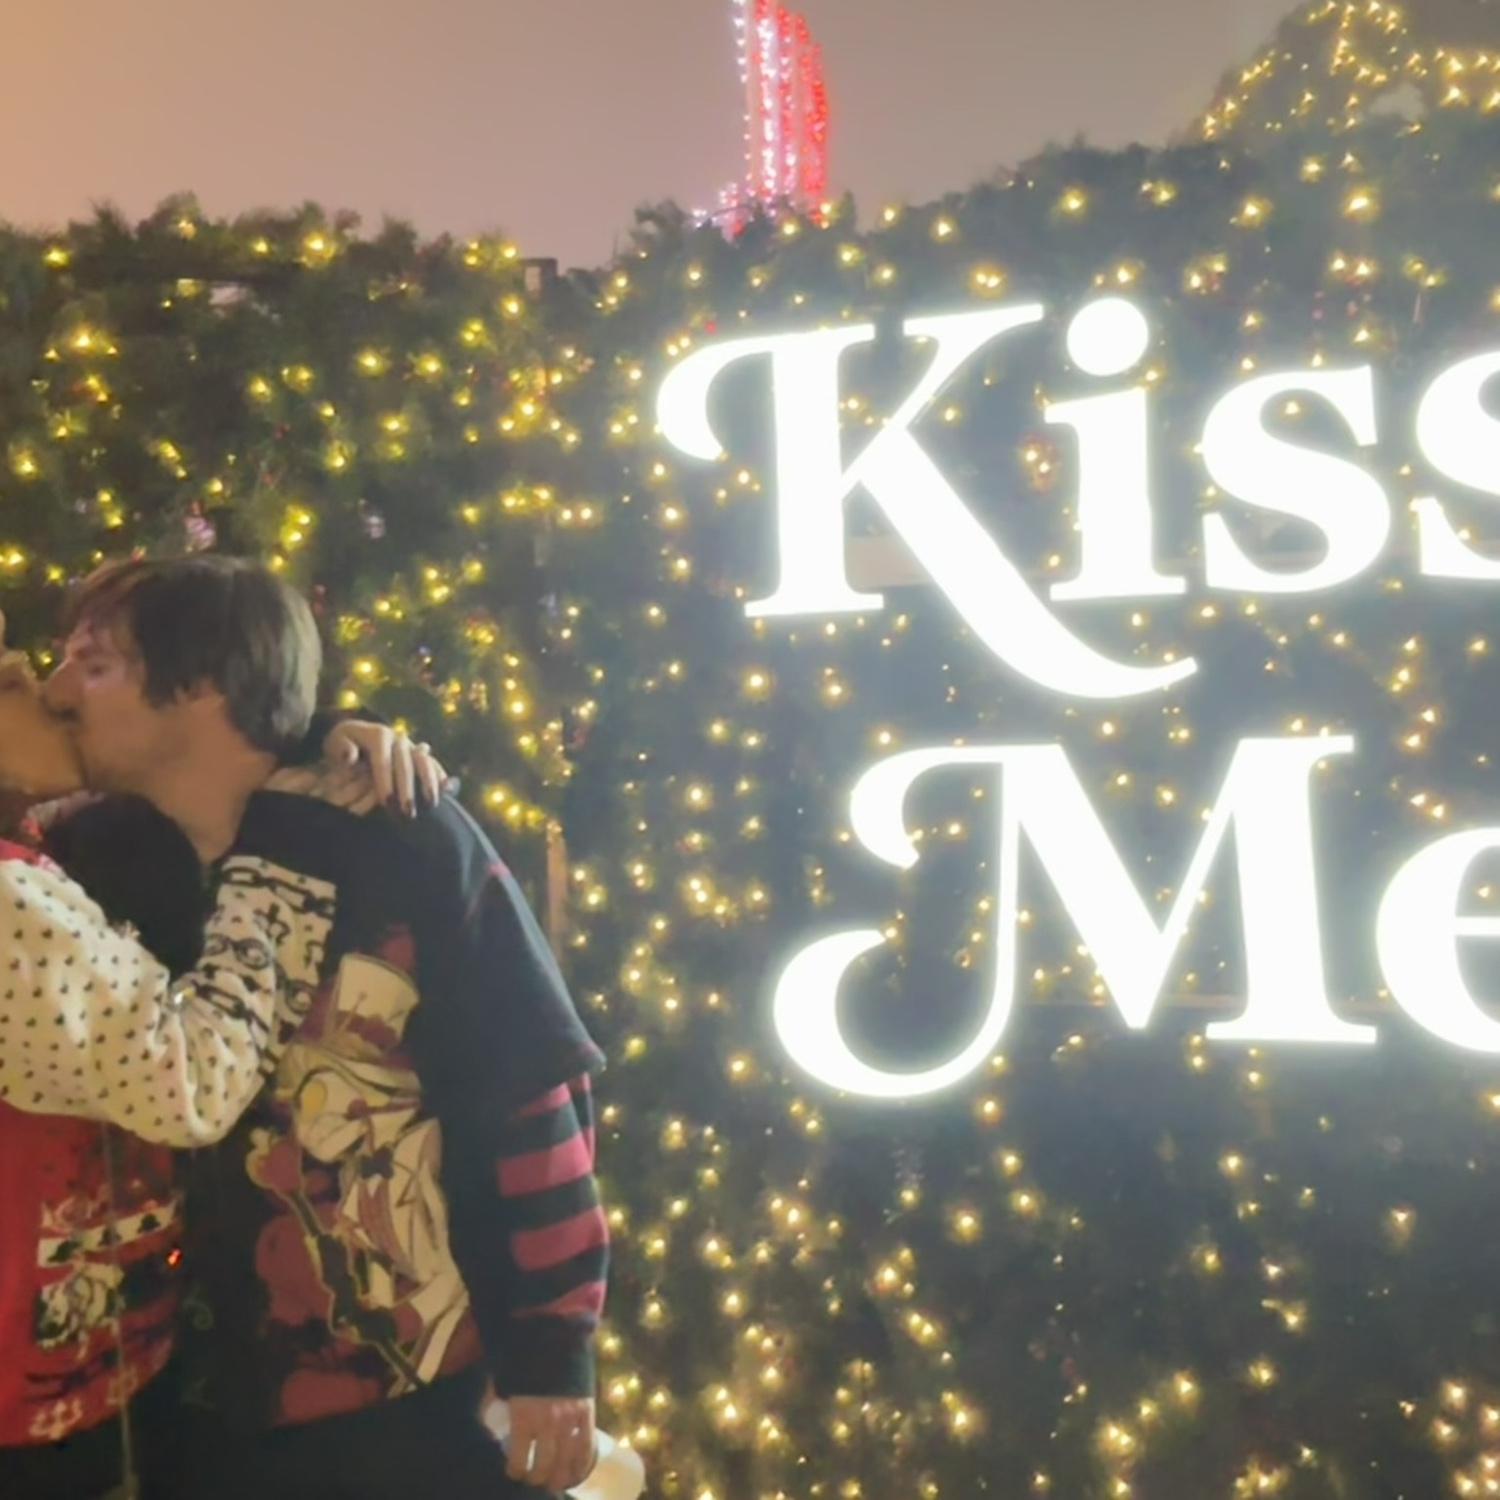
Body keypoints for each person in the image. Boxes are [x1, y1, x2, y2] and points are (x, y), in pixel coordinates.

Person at [42, 555, 609, 1499]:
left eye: (93, 664)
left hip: (409, 1403)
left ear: (201, 684)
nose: (59, 691)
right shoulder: (86, 863)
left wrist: (553, 1354)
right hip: (178, 1409)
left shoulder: (404, 837)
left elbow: (531, 1092)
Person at [0, 636, 433, 1498]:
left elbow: (198, 735)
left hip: (117, 1380)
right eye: (11, 679)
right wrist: (282, 863)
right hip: (34, 1425)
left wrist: (326, 736)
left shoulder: (47, 840)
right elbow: (193, 1084)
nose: (47, 686)